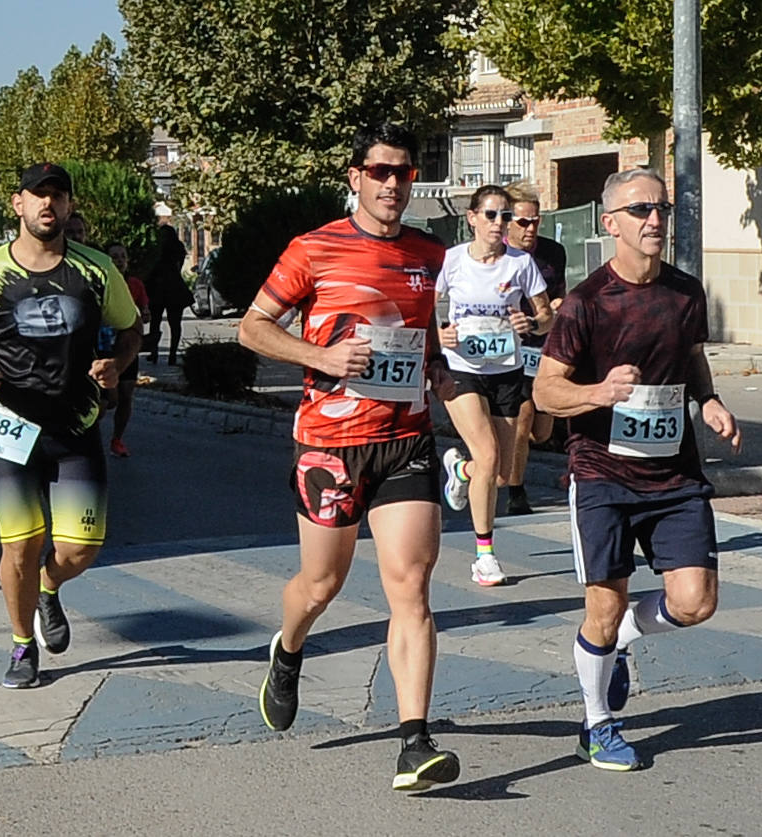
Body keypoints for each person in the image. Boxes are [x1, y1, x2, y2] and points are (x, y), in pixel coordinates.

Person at [237, 123, 462, 791]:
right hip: (330, 444)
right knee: (321, 585)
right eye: (380, 171)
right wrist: (322, 357)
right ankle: (289, 646)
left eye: (403, 172)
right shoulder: (314, 249)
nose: (392, 184)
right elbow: (252, 327)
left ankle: (413, 741)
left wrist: (439, 369)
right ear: (355, 176)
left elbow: (420, 335)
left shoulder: (430, 252)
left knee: (411, 586)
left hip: (406, 440)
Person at [533, 168, 741, 771]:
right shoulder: (585, 303)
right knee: (602, 605)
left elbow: (692, 360)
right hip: (601, 473)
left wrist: (711, 402)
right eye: (641, 210)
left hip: (673, 473)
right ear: (611, 223)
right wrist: (599, 393)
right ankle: (598, 724)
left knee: (696, 600)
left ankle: (622, 639)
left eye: (662, 209)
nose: (655, 220)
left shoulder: (685, 293)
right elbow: (547, 393)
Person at [0, 162, 142, 688]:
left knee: (79, 549)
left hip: (75, 427)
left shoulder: (96, 270)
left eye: (58, 196)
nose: (48, 204)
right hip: (7, 429)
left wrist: (117, 363)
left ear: (69, 206)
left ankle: (49, 587)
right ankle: (23, 646)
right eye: (37, 195)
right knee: (21, 543)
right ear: (17, 203)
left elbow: (131, 328)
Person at [437, 185, 553, 586]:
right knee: (487, 454)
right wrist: (440, 334)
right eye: (491, 215)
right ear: (472, 218)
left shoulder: (521, 263)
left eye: (505, 216)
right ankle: (484, 555)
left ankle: (461, 470)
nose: (499, 224)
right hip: (461, 368)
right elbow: (428, 308)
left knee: (500, 473)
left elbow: (546, 316)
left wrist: (531, 324)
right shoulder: (451, 261)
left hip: (506, 370)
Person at [502, 181, 567, 515]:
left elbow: (560, 293)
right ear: (507, 222)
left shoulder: (553, 253)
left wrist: (556, 304)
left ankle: (502, 452)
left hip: (541, 346)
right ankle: (516, 492)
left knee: (541, 432)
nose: (530, 229)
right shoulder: (496, 254)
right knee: (524, 416)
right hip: (504, 350)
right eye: (523, 222)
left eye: (536, 221)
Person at [104, 242, 150, 457]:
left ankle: (117, 439)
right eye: (114, 256)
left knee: (126, 394)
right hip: (105, 345)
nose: (119, 260)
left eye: (123, 256)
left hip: (129, 346)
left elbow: (144, 309)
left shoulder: (135, 284)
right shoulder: (101, 282)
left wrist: (145, 314)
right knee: (110, 399)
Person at [145, 224, 192, 365]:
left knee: (155, 323)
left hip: (157, 288)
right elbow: (180, 267)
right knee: (175, 324)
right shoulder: (178, 248)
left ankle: (154, 353)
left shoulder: (155, 249)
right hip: (174, 289)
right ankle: (172, 354)